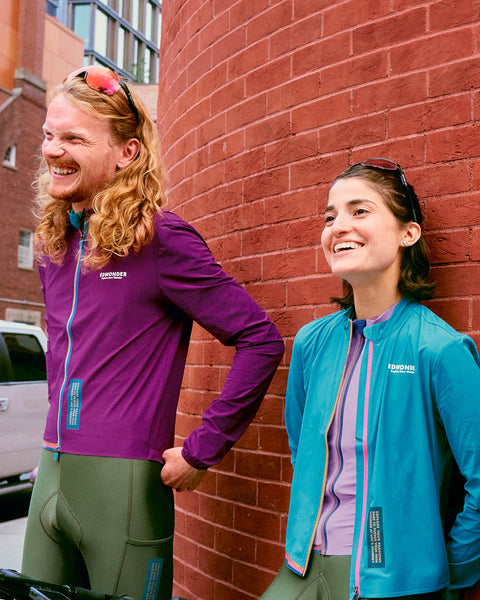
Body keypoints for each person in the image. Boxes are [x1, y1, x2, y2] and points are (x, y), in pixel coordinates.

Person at [21, 65, 284, 600]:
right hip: (50, 474)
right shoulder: (55, 245)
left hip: (124, 486)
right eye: (49, 135)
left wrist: (203, 449)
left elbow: (260, 340)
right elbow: (63, 355)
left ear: (127, 152)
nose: (52, 150)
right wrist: (54, 438)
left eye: (74, 138)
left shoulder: (161, 240)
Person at [260, 158, 480, 600]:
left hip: (394, 580)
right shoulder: (311, 343)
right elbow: (303, 451)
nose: (338, 226)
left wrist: (446, 570)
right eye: (330, 217)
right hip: (302, 566)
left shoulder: (439, 350)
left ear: (407, 233)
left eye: (359, 211)